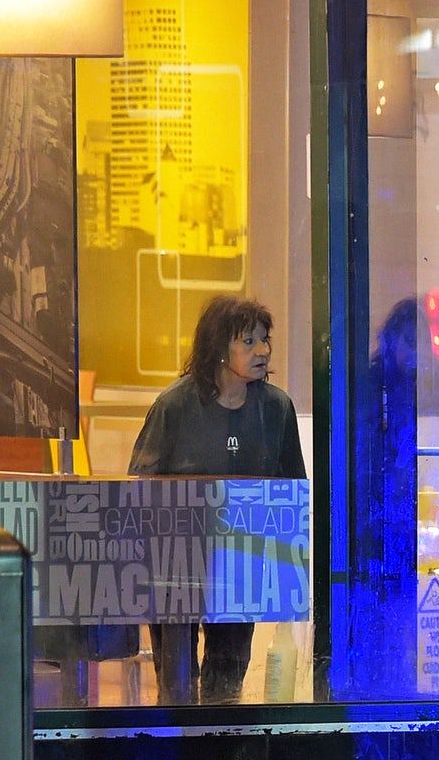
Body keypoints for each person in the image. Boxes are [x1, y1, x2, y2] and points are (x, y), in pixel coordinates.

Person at [129, 295, 307, 704]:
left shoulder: (277, 408)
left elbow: (291, 492)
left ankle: (219, 759)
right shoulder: (173, 405)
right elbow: (139, 485)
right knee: (176, 688)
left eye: (265, 340)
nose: (262, 350)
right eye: (249, 341)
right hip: (176, 563)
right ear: (218, 348)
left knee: (226, 684)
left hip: (241, 563)